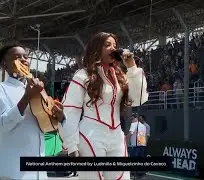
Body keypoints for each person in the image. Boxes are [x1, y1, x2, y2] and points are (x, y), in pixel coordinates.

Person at [59, 32, 148, 180]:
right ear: (96, 48)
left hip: (117, 137)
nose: (112, 48)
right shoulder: (82, 75)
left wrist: (132, 68)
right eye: (107, 45)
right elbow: (70, 111)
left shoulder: (120, 76)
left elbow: (139, 98)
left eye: (114, 45)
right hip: (90, 135)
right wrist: (72, 146)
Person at [0, 45, 65, 180]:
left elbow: (46, 126)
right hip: (12, 170)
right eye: (17, 57)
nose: (24, 60)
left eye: (26, 56)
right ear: (4, 64)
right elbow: (4, 124)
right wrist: (27, 97)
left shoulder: (38, 91)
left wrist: (58, 116)